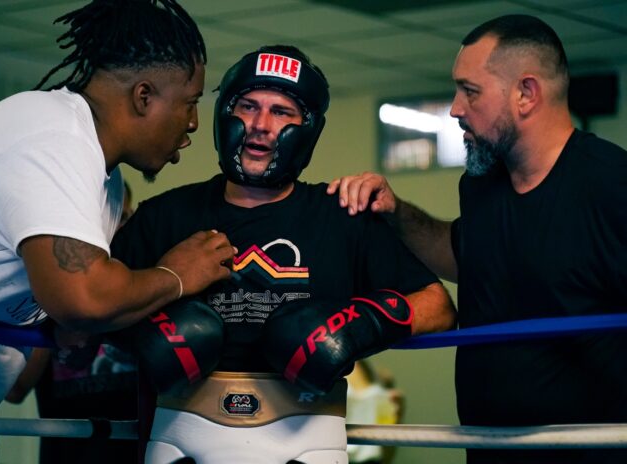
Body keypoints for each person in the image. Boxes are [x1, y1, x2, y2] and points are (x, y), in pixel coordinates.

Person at [109, 44, 456, 464]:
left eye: (281, 112)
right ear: (225, 115)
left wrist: (355, 326)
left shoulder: (342, 216)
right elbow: (84, 313)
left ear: (306, 128)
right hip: (180, 435)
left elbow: (438, 306)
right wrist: (148, 331)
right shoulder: (165, 215)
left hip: (308, 438)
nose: (260, 126)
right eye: (248, 106)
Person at [0, 1, 236, 463]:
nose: (193, 122)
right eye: (189, 103)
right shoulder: (54, 139)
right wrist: (176, 275)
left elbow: (66, 319)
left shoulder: (105, 182)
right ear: (144, 96)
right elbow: (85, 298)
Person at [328, 14, 627, 464]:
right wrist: (396, 212)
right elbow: (464, 255)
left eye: (470, 91)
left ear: (526, 94)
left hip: (591, 453)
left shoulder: (609, 184)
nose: (454, 107)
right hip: (487, 448)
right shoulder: (482, 183)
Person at [5, 181, 139, 464]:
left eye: (122, 218)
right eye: (104, 218)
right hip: (66, 454)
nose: (113, 229)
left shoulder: (140, 285)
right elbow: (16, 389)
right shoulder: (46, 288)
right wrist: (59, 306)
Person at [345, 359, 403, 464]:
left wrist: (398, 415)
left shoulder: (374, 374)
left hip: (373, 458)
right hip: (340, 455)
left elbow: (386, 441)